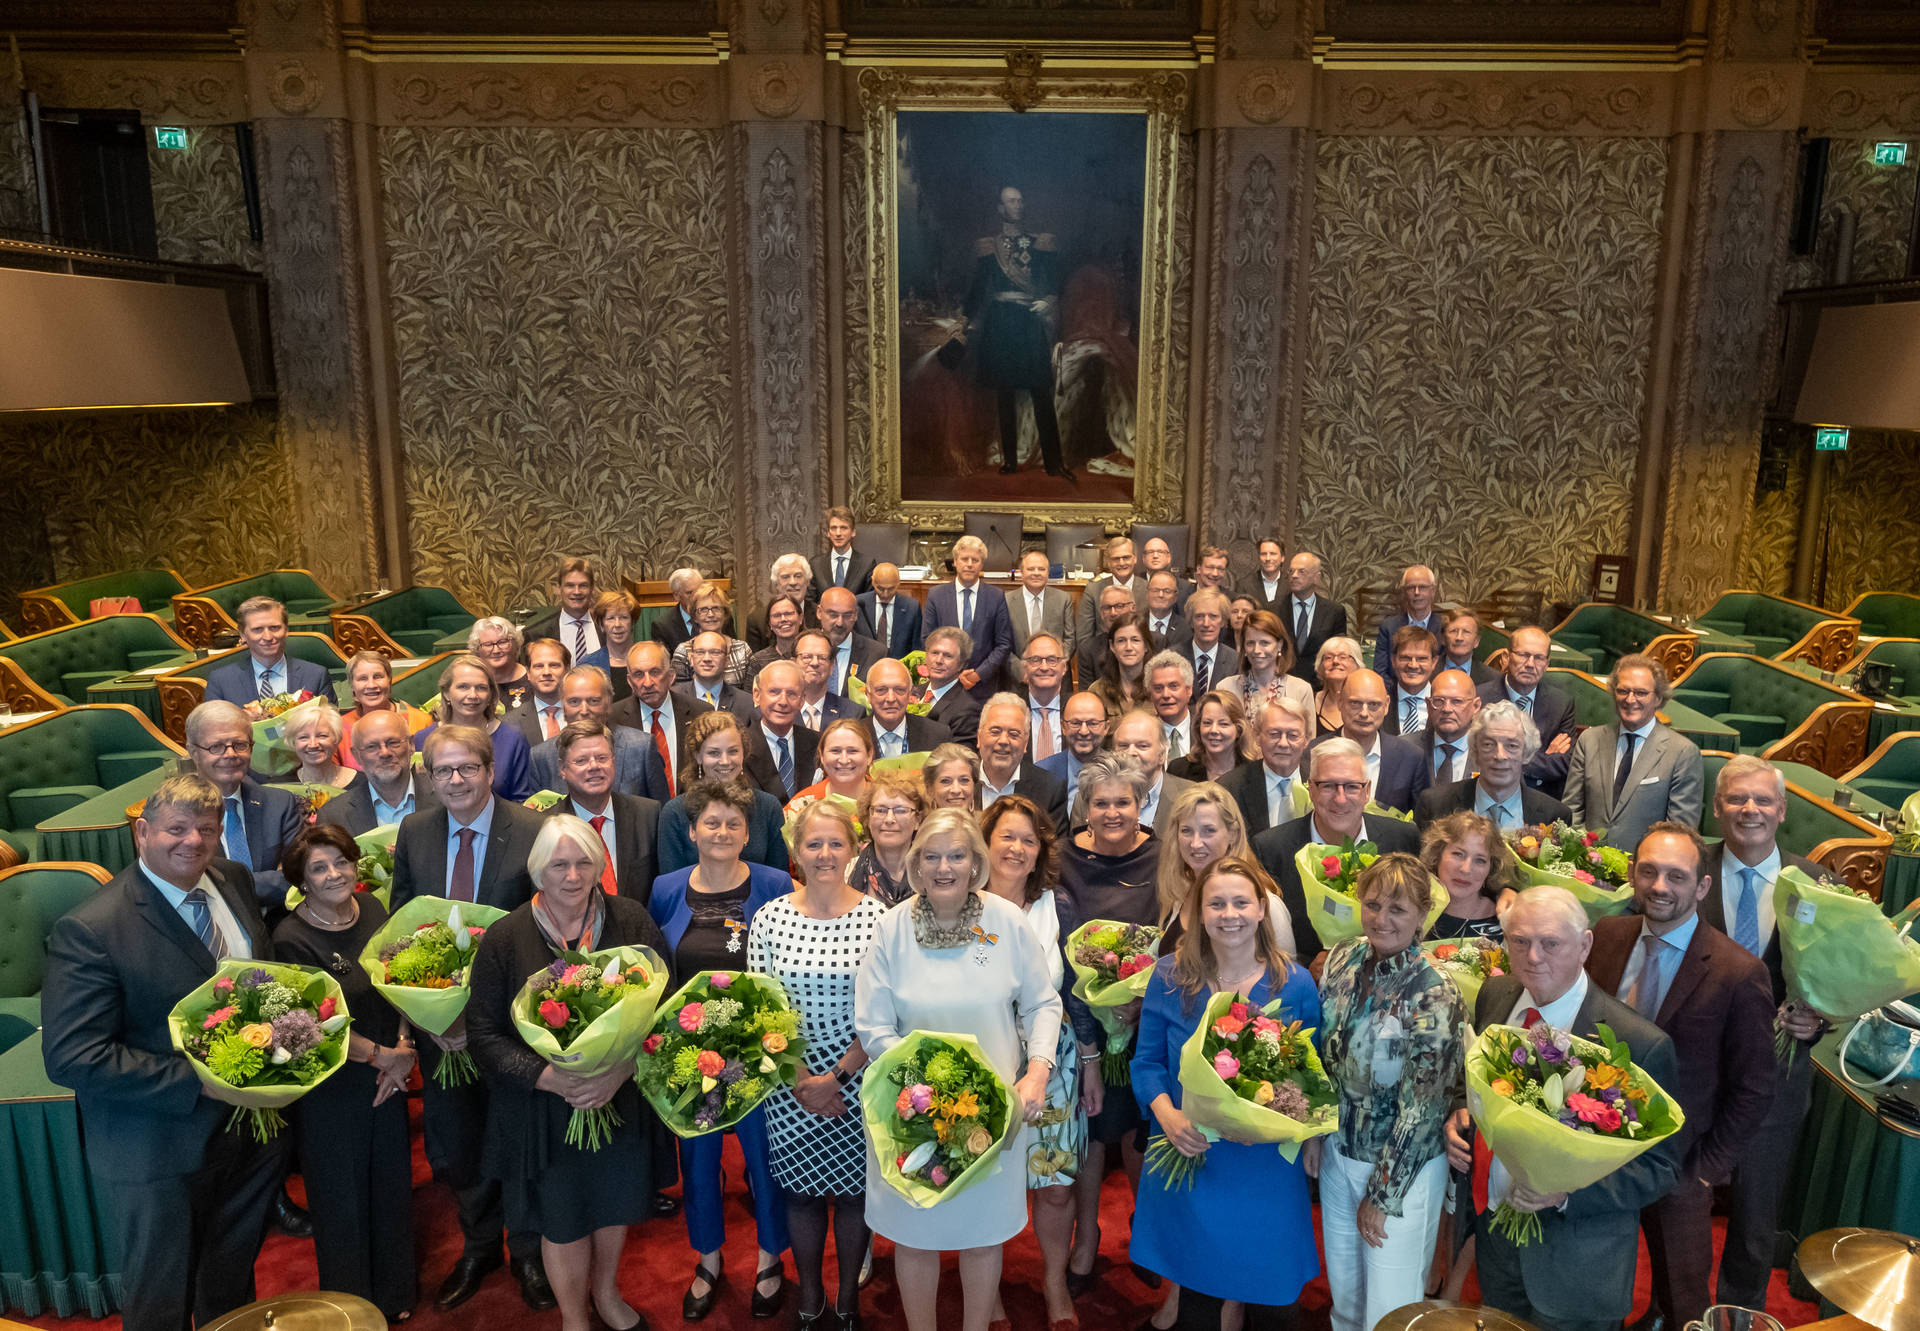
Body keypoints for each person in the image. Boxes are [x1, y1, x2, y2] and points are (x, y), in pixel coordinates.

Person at [40, 773, 280, 1331]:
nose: (192, 841)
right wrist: (197, 1081)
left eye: (206, 828)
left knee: (231, 1281)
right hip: (157, 1150)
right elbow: (74, 1056)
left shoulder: (233, 879)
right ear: (142, 832)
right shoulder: (92, 927)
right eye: (176, 829)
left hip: (249, 1132)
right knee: (162, 1301)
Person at [854, 809, 1062, 1331]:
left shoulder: (1006, 922)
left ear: (976, 863)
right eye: (931, 857)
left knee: (982, 1232)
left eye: (957, 856)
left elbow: (1043, 1004)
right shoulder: (889, 928)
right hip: (909, 1112)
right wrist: (922, 1089)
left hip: (989, 1115)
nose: (944, 867)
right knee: (914, 1233)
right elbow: (873, 1025)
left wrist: (1036, 1071)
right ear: (915, 865)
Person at [1441, 887, 1680, 1331]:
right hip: (1495, 1245)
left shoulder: (1637, 1043)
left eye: (1550, 943)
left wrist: (1567, 1194)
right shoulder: (1494, 996)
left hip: (1576, 1270)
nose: (1533, 957)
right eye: (1519, 941)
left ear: (1585, 945)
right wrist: (1459, 1114)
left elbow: (1660, 1167)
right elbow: (1471, 1078)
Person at [468, 814, 672, 1331]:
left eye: (585, 863)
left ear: (601, 867)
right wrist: (552, 1078)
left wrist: (620, 1072)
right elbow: (484, 1034)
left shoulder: (631, 922)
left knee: (612, 1203)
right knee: (562, 1219)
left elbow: (667, 1012)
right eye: (560, 864)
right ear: (539, 871)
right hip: (545, 1109)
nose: (573, 876)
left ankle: (606, 1294)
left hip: (616, 1098)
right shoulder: (505, 937)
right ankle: (573, 1318)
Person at [1586, 823, 1775, 1331]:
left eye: (1676, 875)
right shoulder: (1608, 936)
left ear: (1702, 886)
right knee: (1597, 1278)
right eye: (1647, 871)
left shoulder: (1740, 972)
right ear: (1631, 874)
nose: (1659, 886)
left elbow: (1755, 1086)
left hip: (1680, 1164)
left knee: (1682, 1300)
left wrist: (1707, 1168)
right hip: (1596, 1148)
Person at [390, 724, 549, 1312]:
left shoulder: (530, 830)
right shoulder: (415, 830)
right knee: (459, 1144)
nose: (455, 780)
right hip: (442, 1033)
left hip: (514, 1025)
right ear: (429, 777)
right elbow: (400, 929)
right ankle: (480, 1245)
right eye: (443, 771)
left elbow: (548, 924)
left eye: (468, 769)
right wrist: (426, 1015)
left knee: (519, 1136)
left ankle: (529, 1252)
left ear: (490, 770)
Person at [1129, 856, 1322, 1326]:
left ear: (1262, 909)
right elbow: (1148, 1062)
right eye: (1216, 904)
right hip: (1191, 1151)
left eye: (1240, 902)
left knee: (1274, 1300)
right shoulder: (1170, 976)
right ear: (1198, 912)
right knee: (1198, 1299)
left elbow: (1311, 1078)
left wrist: (1304, 1132)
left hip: (1264, 1163)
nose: (1229, 914)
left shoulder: (1294, 983)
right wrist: (1169, 1118)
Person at [648, 781, 795, 1321]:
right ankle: (708, 1258)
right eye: (711, 822)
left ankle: (768, 1257)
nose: (723, 832)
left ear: (748, 833)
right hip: (691, 1054)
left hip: (759, 1052)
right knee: (700, 1160)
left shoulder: (776, 883)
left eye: (734, 823)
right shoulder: (666, 888)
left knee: (763, 1160)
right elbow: (655, 967)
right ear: (691, 831)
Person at [748, 800, 886, 1331]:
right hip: (791, 1082)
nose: (825, 854)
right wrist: (804, 1078)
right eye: (814, 843)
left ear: (853, 850)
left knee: (854, 1198)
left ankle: (847, 1300)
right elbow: (763, 1008)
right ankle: (809, 1297)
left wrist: (839, 1078)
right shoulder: (770, 917)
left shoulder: (879, 917)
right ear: (795, 851)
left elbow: (885, 1010)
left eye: (836, 843)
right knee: (801, 1196)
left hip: (859, 1073)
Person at [271, 824, 417, 1322]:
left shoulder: (374, 909)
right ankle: (350, 1309)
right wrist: (382, 1057)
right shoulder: (291, 938)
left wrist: (404, 1045)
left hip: (389, 1075)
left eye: (341, 861)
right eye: (319, 868)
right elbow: (309, 1025)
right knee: (341, 1201)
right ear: (302, 881)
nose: (334, 874)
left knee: (392, 1187)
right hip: (334, 1089)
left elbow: (398, 979)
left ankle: (396, 1296)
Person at [1316, 854, 1466, 1331]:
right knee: (1345, 1301)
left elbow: (1424, 1108)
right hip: (1338, 1155)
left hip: (1404, 1172)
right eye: (1373, 904)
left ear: (1423, 916)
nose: (1381, 919)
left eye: (1398, 909)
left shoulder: (1434, 991)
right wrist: (1314, 1136)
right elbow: (1322, 1059)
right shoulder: (1342, 957)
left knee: (1391, 1312)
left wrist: (1382, 1193)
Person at [1699, 757, 1826, 1310]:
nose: (1749, 809)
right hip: (1695, 1070)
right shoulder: (1688, 868)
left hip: (1777, 1076)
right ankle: (1670, 1309)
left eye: (1762, 800)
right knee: (1675, 1206)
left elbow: (1835, 981)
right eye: (1736, 798)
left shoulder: (1818, 884)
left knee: (1754, 1217)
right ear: (1717, 806)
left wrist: (1819, 1021)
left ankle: (1738, 1315)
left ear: (1782, 810)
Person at [1053, 754, 1161, 1299]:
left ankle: (1146, 1230)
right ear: (1085, 807)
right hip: (1079, 1020)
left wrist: (1141, 1000)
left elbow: (1178, 933)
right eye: (1101, 802)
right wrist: (1095, 1012)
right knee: (1090, 1128)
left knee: (1138, 1129)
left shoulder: (1162, 856)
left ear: (1141, 805)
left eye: (1124, 801)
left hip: (1148, 1017)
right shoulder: (1063, 858)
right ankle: (1085, 1234)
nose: (1113, 812)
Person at [980, 794, 1082, 1328]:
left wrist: (1089, 1055)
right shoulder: (962, 903)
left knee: (1057, 1183)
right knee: (987, 1176)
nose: (1017, 848)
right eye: (1006, 837)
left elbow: (1080, 988)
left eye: (1028, 839)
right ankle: (987, 1284)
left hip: (1054, 1060)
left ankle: (1052, 1281)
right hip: (984, 1057)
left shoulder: (1056, 904)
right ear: (985, 843)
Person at [1250, 738, 1422, 972]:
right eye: (1328, 786)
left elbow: (1417, 921)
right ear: (1310, 788)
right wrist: (1306, 969)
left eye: (1351, 786)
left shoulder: (1403, 838)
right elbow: (1262, 939)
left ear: (1367, 791)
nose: (1340, 798)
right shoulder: (1271, 848)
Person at [950, 184, 1074, 481]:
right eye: (1011, 201)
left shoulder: (1040, 243)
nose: (1018, 205)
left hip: (1029, 321)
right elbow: (978, 289)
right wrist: (964, 319)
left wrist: (1048, 299)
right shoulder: (988, 247)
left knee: (1039, 391)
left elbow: (1053, 280)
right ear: (1000, 208)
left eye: (1020, 200)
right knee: (1004, 394)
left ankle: (1054, 462)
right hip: (1001, 323)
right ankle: (1010, 461)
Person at [1565, 653, 1704, 849]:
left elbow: (1680, 832)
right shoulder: (1590, 741)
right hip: (1587, 866)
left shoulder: (1682, 753)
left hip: (1645, 869)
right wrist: (1582, 855)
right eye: (1623, 691)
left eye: (1640, 693)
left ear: (1657, 698)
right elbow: (1572, 810)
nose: (1630, 700)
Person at [183, 699, 304, 913]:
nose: (230, 754)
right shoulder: (176, 813)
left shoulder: (280, 804)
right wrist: (269, 881)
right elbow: (189, 885)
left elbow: (298, 878)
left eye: (239, 745)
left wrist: (221, 884)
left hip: (278, 932)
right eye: (216, 746)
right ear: (193, 751)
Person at [1154, 779, 1296, 958]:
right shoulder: (1181, 893)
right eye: (1186, 831)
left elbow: (1287, 976)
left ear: (1233, 834)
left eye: (1209, 830)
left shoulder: (1267, 903)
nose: (1195, 843)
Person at [657, 712, 788, 874]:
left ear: (743, 754)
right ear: (698, 756)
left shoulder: (768, 807)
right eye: (714, 753)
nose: (725, 761)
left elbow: (779, 879)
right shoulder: (675, 812)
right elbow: (671, 884)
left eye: (733, 751)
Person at [1414, 701, 1571, 833]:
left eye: (1511, 745)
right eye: (1489, 744)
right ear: (1475, 751)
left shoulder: (1555, 816)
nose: (1500, 755)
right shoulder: (1435, 805)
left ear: (1526, 753)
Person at [548, 720, 661, 895]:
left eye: (602, 758)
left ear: (613, 762)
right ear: (562, 769)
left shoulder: (648, 815)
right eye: (581, 760)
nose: (594, 766)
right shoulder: (546, 827)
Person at [531, 666, 666, 800]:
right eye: (574, 702)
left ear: (608, 702)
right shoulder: (541, 757)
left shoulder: (641, 748)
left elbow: (660, 811)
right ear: (563, 706)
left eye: (593, 701)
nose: (584, 710)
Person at [416, 653, 535, 803]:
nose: (473, 695)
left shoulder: (512, 739)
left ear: (491, 694)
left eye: (481, 688)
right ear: (446, 693)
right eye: (463, 687)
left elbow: (523, 800)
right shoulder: (423, 739)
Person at [1478, 625, 1578, 800]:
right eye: (1524, 655)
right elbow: (1478, 757)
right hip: (1489, 793)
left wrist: (1508, 758)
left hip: (1541, 799)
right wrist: (1542, 757)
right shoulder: (1480, 698)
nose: (1530, 664)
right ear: (1506, 657)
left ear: (1547, 664)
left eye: (1539, 658)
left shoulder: (1561, 704)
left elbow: (1565, 763)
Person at [1315, 667, 1430, 814]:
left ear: (1386, 705)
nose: (1364, 713)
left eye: (1373, 705)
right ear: (1340, 702)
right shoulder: (1314, 753)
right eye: (1355, 703)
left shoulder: (1411, 758)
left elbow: (1418, 823)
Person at [611, 641, 713, 797]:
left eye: (655, 672)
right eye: (638, 674)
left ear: (671, 676)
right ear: (629, 681)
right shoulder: (613, 719)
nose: (647, 683)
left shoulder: (701, 713)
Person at [322, 707, 441, 834]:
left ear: (411, 745)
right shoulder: (334, 816)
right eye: (372, 747)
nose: (384, 753)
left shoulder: (445, 797)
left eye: (393, 742)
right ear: (357, 756)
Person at [925, 535, 1015, 700]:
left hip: (983, 687)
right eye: (964, 559)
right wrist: (952, 673)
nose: (969, 564)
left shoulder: (996, 596)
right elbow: (927, 639)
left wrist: (978, 675)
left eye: (975, 560)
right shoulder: (936, 596)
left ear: (982, 564)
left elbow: (1003, 644)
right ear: (955, 562)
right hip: (944, 685)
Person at [202, 596, 331, 708]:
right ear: (243, 635)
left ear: (286, 630)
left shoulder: (316, 676)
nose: (268, 637)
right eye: (257, 629)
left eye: (274, 628)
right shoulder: (221, 681)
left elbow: (330, 727)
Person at [1217, 694, 1313, 837]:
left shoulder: (1322, 783)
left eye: (1293, 735)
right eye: (1274, 734)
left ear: (1306, 739)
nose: (1283, 743)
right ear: (1257, 736)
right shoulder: (1229, 788)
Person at [977, 692, 1070, 835]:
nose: (1003, 741)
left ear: (1025, 743)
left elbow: (1056, 851)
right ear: (979, 737)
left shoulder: (1050, 789)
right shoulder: (960, 782)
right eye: (995, 731)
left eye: (1013, 734)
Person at [1421, 810, 1513, 942]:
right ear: (1437, 854)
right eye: (1458, 854)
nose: (1466, 869)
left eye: (1480, 860)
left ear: (1491, 868)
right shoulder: (1413, 909)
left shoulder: (1505, 920)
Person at [740, 659, 819, 803]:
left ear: (802, 701)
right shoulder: (739, 746)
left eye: (792, 694)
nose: (783, 702)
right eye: (774, 692)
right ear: (757, 695)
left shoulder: (818, 744)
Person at [336, 649, 432, 767]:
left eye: (378, 677)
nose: (371, 685)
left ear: (389, 682)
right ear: (352, 688)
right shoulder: (339, 729)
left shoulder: (421, 721)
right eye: (363, 678)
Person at [1110, 708, 1195, 835]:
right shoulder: (1089, 799)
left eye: (1142, 746)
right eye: (1123, 746)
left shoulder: (1191, 798)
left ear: (1162, 755)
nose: (1131, 752)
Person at [1217, 608, 1315, 717]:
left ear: (1280, 645)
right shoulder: (1226, 688)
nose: (1256, 650)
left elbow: (1309, 734)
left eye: (1264, 643)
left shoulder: (1300, 690)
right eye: (1250, 643)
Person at [852, 768, 927, 906]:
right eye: (880, 810)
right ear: (868, 817)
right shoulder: (846, 872)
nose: (889, 819)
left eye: (900, 810)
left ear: (918, 819)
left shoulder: (932, 872)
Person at [1073, 537, 1148, 667]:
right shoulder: (1093, 589)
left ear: (1135, 559)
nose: (1121, 563)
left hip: (1141, 663)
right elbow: (1084, 637)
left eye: (1126, 557)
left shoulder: (1148, 589)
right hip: (1103, 663)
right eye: (1116, 559)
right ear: (1108, 562)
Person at [1009, 549, 1077, 686]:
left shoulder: (1063, 599)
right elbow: (1002, 643)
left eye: (1041, 569)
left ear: (1048, 573)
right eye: (1030, 569)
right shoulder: (1006, 601)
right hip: (1018, 680)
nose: (1036, 573)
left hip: (1056, 678)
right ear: (1021, 572)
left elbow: (1070, 639)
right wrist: (1021, 670)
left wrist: (1055, 666)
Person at [864, 656, 954, 757]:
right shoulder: (852, 736)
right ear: (868, 695)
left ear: (909, 694)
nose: (891, 698)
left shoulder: (938, 736)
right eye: (881, 690)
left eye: (899, 690)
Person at [1285, 552, 1349, 691]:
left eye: (1301, 571)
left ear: (1317, 577)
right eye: (1291, 571)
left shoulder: (1334, 612)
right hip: (1282, 685)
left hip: (1319, 688)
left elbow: (1337, 653)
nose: (1294, 575)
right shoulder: (1274, 610)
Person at [1039, 691, 1111, 809]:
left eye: (1092, 723)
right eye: (1075, 723)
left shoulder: (1121, 772)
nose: (1083, 731)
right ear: (1063, 726)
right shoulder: (1042, 773)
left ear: (1106, 727)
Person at [671, 582, 753, 686]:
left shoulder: (742, 649)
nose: (710, 614)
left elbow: (749, 694)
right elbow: (680, 694)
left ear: (725, 613)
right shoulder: (683, 651)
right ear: (695, 616)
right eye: (703, 609)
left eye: (716, 608)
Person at [521, 557, 603, 661]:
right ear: (559, 589)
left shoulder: (607, 629)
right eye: (570, 585)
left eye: (583, 585)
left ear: (592, 589)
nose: (577, 592)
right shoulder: (535, 635)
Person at [787, 716, 875, 812]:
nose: (844, 760)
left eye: (853, 751)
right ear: (822, 756)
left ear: (869, 755)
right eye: (835, 751)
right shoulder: (801, 806)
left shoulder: (890, 800)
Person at [1168, 688, 1253, 783]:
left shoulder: (1253, 773)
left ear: (1238, 729)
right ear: (1198, 727)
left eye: (1223, 724)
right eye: (1207, 723)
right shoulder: (1178, 770)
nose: (1214, 730)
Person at [1417, 668, 1482, 788]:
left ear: (1476, 706)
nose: (1446, 709)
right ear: (1428, 705)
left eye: (1457, 701)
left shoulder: (1492, 754)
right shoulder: (1407, 749)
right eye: (1439, 701)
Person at [920, 627, 984, 748]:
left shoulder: (967, 709)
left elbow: (959, 758)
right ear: (926, 656)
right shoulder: (912, 692)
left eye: (948, 656)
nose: (939, 660)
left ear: (962, 664)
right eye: (935, 653)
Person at [817, 586, 885, 699]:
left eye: (847, 616)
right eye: (833, 615)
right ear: (819, 612)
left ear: (856, 615)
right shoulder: (802, 649)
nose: (840, 623)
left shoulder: (876, 654)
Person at [1372, 565, 1441, 676]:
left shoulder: (1444, 627)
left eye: (1422, 587)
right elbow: (1380, 672)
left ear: (1433, 591)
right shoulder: (1389, 627)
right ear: (1404, 592)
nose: (1417, 592)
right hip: (1395, 691)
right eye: (1411, 588)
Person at [506, 638, 572, 748]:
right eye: (539, 666)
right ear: (528, 673)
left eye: (554, 665)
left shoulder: (586, 714)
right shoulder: (509, 724)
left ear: (567, 670)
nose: (546, 672)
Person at [679, 631, 756, 723]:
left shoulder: (746, 703)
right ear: (691, 659)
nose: (707, 658)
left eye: (715, 652)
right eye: (700, 652)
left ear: (727, 661)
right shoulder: (674, 697)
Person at [793, 629, 862, 732]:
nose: (815, 663)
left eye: (822, 658)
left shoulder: (852, 713)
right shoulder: (778, 710)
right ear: (793, 663)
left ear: (832, 666)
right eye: (807, 657)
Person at [1091, 611, 1154, 722]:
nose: (1128, 647)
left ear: (1146, 646)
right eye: (1121, 641)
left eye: (1135, 640)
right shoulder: (1097, 691)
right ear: (1112, 646)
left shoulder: (1158, 689)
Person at [1018, 631, 1072, 761]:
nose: (1044, 667)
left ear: (1064, 667)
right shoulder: (1013, 710)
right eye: (1035, 660)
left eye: (1052, 660)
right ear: (1025, 668)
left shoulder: (1077, 710)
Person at [579, 588, 640, 703]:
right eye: (611, 618)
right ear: (602, 625)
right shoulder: (588, 665)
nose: (617, 625)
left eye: (623, 617)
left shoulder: (647, 659)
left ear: (632, 622)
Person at [747, 556, 818, 653]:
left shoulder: (821, 615)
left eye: (798, 576)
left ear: (808, 581)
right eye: (785, 577)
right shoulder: (757, 619)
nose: (793, 582)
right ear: (776, 584)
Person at [1077, 581, 1141, 685]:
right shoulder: (1088, 650)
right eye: (1107, 608)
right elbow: (1087, 695)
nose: (1113, 613)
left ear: (1133, 608)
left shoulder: (1154, 641)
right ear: (1101, 614)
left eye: (1119, 606)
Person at [286, 699, 358, 791]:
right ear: (293, 742)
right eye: (304, 737)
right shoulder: (281, 787)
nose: (313, 744)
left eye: (322, 736)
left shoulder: (362, 784)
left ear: (336, 739)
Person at [811, 505, 877, 598]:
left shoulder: (867, 564)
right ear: (828, 533)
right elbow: (810, 601)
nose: (838, 533)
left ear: (853, 532)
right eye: (833, 528)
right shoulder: (815, 565)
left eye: (843, 528)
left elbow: (869, 601)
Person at [857, 563, 923, 657]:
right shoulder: (859, 604)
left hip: (899, 664)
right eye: (880, 588)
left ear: (898, 583)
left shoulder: (911, 607)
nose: (885, 594)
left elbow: (917, 647)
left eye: (891, 589)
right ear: (873, 582)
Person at [1386, 626, 1441, 737]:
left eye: (1421, 659)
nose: (1413, 665)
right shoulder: (1379, 701)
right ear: (1393, 660)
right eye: (1405, 658)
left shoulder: (1446, 704)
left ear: (1434, 662)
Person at [468, 617, 532, 711]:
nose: (496, 650)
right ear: (478, 650)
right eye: (488, 644)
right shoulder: (472, 685)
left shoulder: (534, 679)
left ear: (516, 644)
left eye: (503, 642)